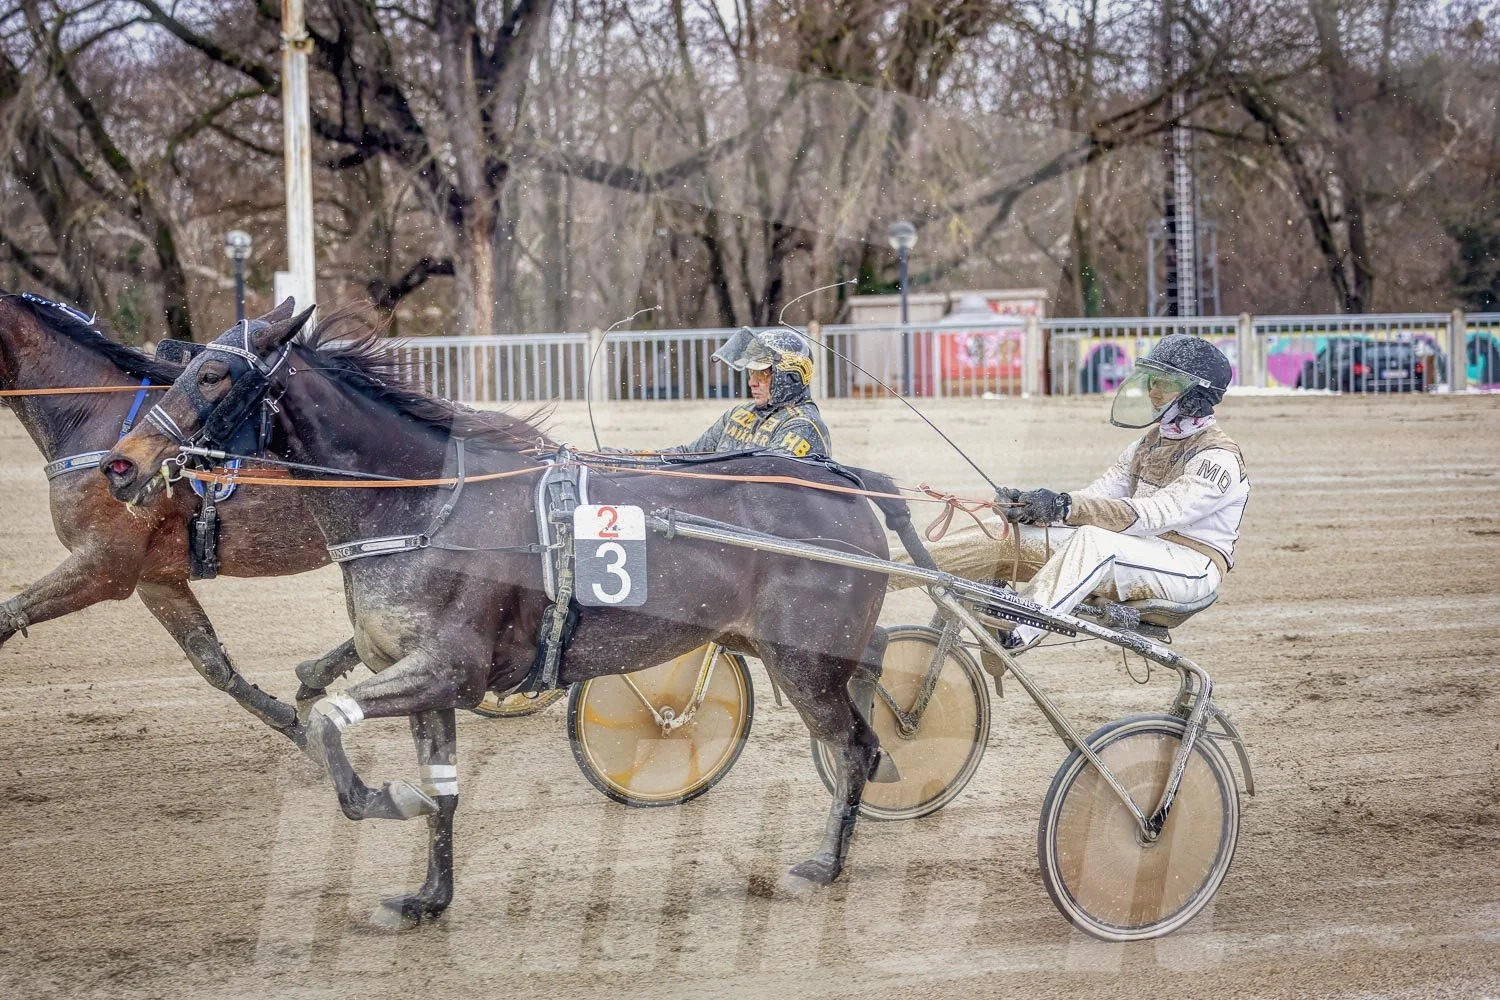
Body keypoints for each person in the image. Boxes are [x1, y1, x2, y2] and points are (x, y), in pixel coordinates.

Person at [894, 334, 1249, 651]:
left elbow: (1152, 515)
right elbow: (1099, 494)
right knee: (1007, 532)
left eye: (1166, 384)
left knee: (1094, 541)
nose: (1154, 390)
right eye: (1153, 380)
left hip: (1190, 568)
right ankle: (882, 571)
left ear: (1195, 398)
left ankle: (1018, 630)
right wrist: (1035, 509)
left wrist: (1065, 507)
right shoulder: (1146, 444)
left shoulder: (1217, 459)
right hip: (1138, 549)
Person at [649, 327, 832, 459]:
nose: (751, 382)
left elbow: (759, 479)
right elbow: (690, 454)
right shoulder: (739, 413)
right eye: (751, 372)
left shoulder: (803, 426)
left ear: (789, 377)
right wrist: (637, 460)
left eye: (762, 374)